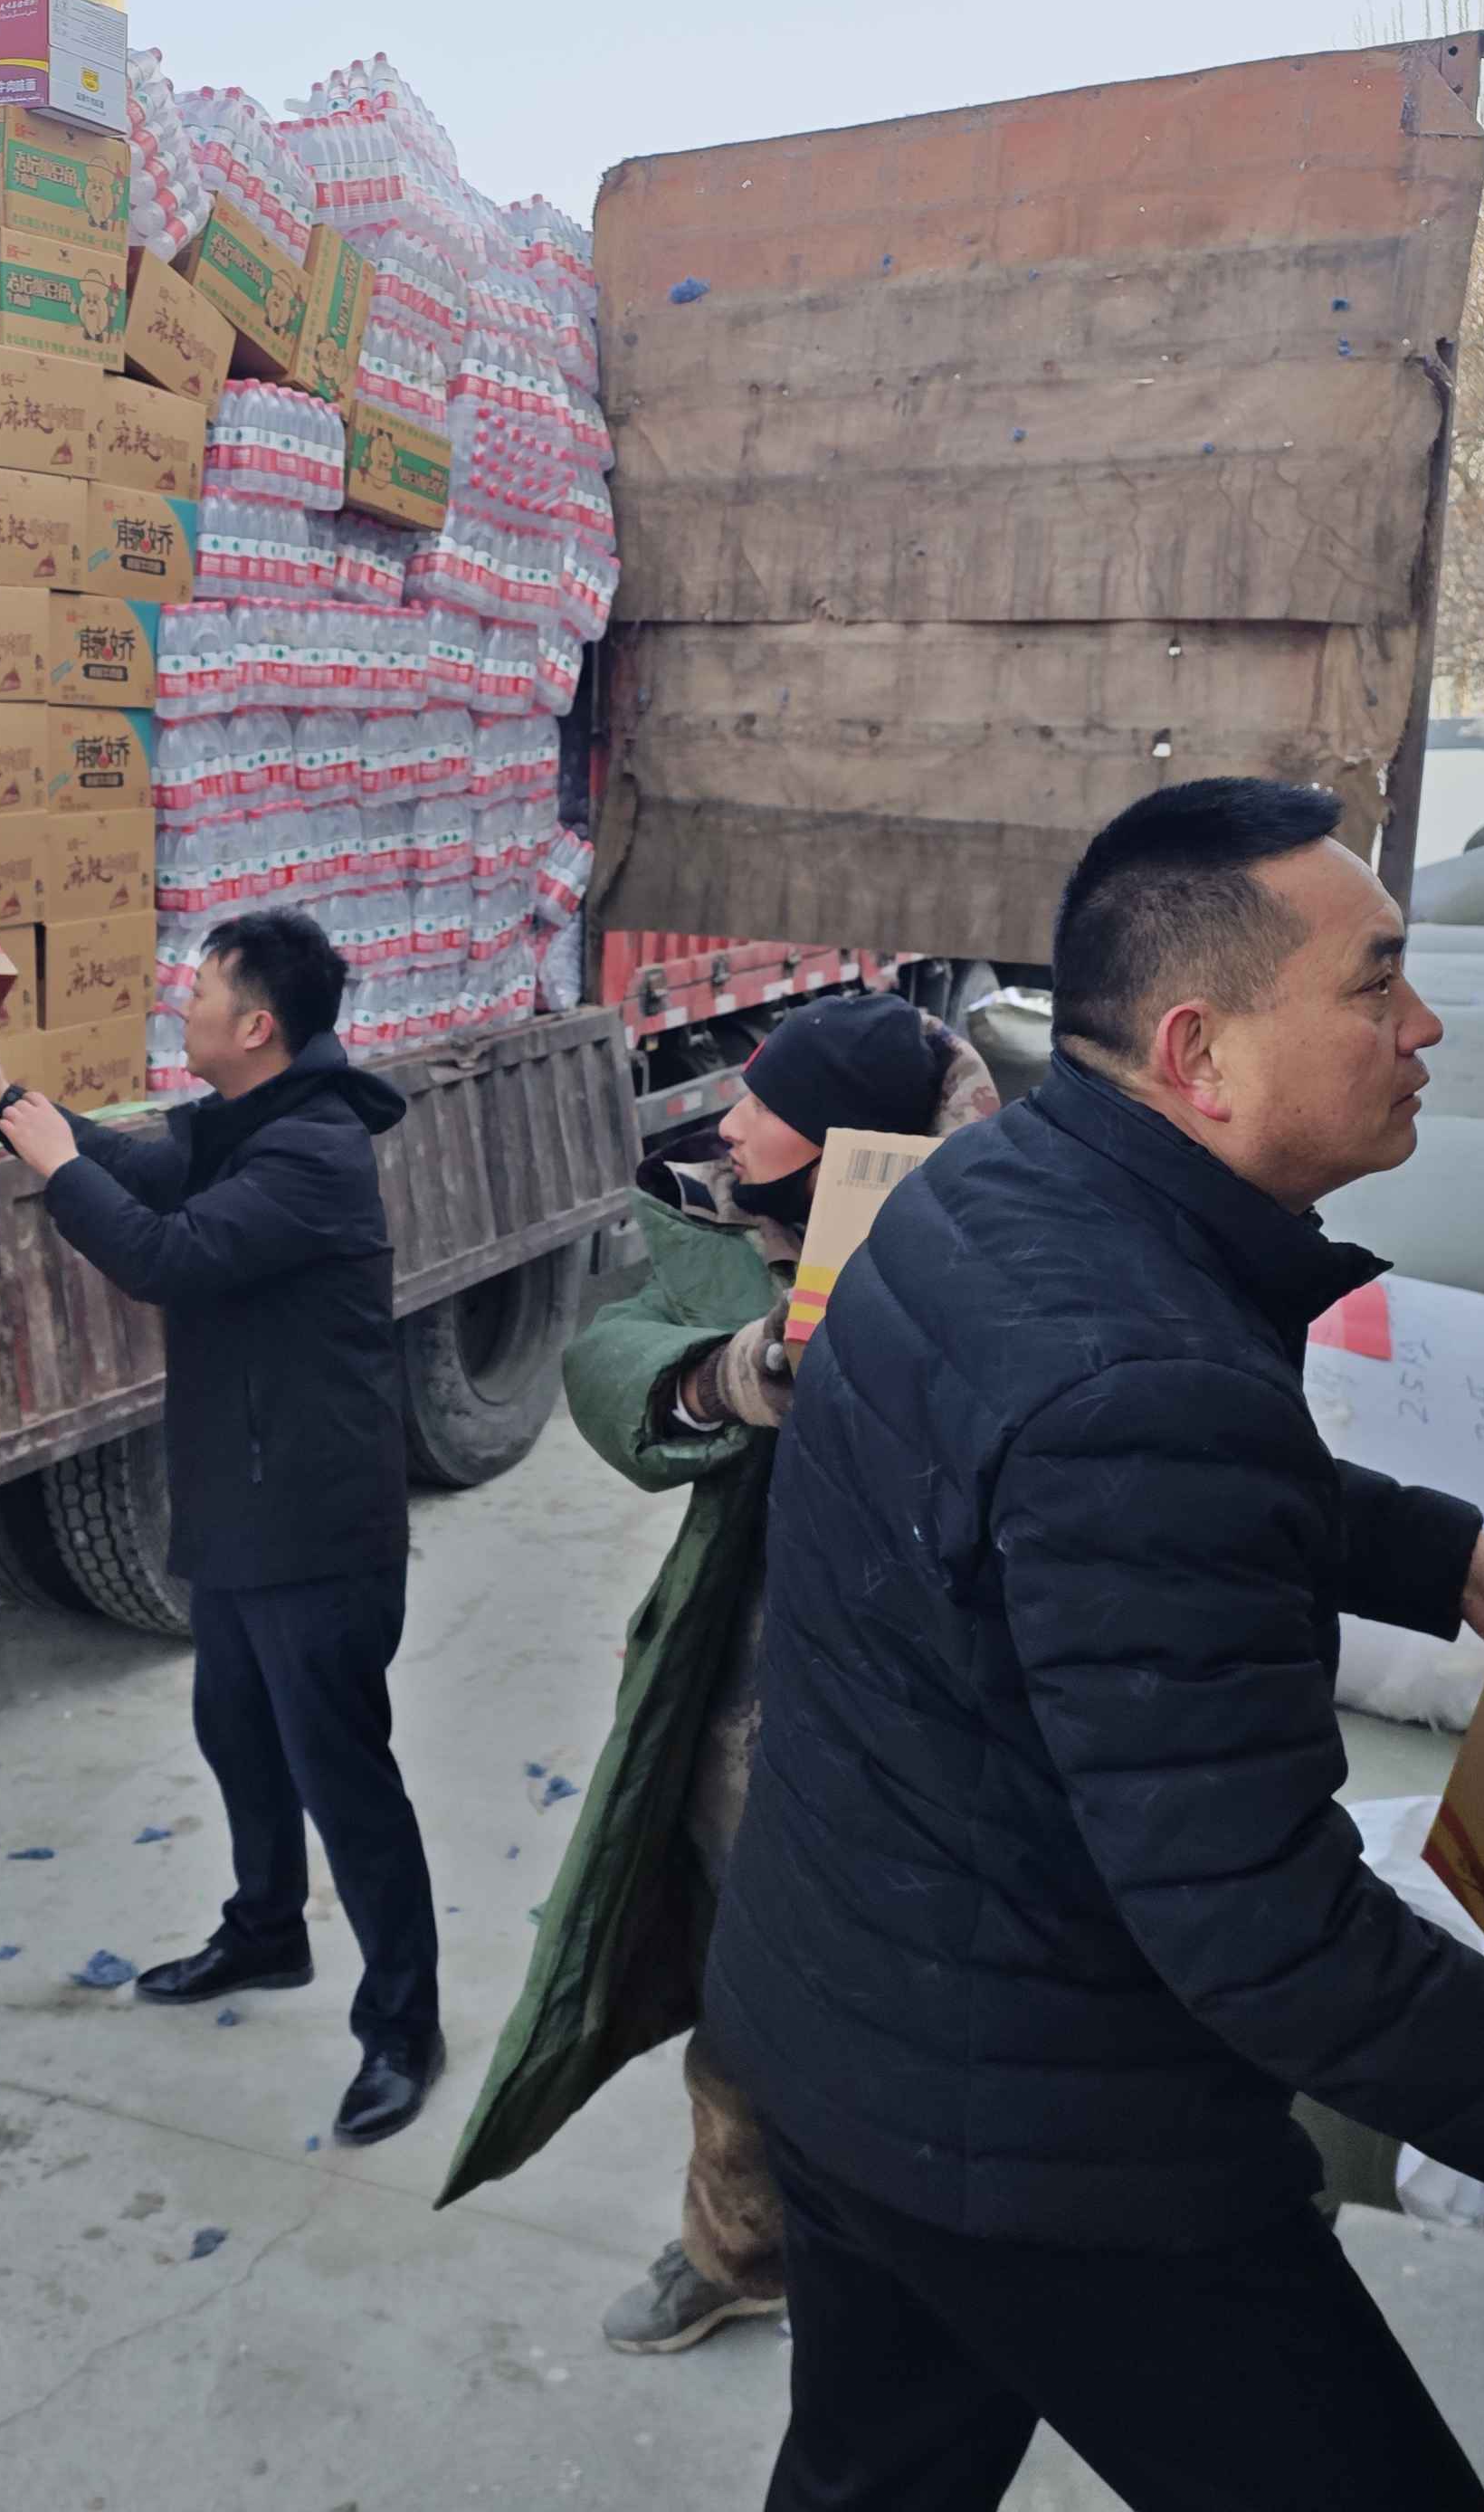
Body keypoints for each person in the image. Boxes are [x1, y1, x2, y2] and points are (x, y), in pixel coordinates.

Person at [699, 778, 1484, 2512]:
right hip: (1054, 2143)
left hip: (839, 2021)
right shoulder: (1143, 1372)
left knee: (874, 2479)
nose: (1424, 1024)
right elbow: (1267, 1933)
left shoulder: (989, 1193)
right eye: (1374, 982)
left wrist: (1452, 1563)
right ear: (1200, 1053)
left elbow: (1106, 1504)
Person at [437, 992, 997, 2355]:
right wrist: (726, 1379)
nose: (730, 1123)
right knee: (745, 2002)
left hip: (933, 1724)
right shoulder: (738, 1230)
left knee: (923, 2027)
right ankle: (740, 2251)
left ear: (845, 1145)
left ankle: (920, 2273)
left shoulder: (994, 1254)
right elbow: (611, 1348)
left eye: (767, 1105)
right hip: (757, 1691)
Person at [0, 907, 442, 2144]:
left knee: (345, 1779)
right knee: (237, 1736)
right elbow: (148, 1172)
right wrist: (13, 1107)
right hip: (239, 1501)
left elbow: (161, 1254)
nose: (184, 998)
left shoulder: (313, 1154)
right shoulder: (247, 1125)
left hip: (315, 1522)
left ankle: (402, 2028)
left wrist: (55, 1165)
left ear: (256, 1026)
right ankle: (266, 1932)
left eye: (204, 986)